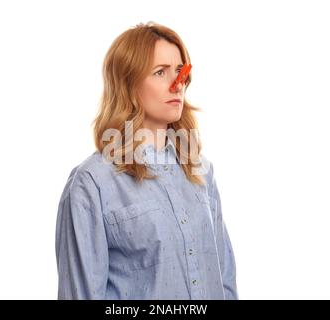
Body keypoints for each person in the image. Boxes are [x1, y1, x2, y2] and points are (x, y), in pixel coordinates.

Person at [55, 21, 238, 300]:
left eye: (180, 71)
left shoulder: (202, 173)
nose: (177, 84)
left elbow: (224, 279)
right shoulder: (93, 183)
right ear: (128, 84)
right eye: (160, 72)